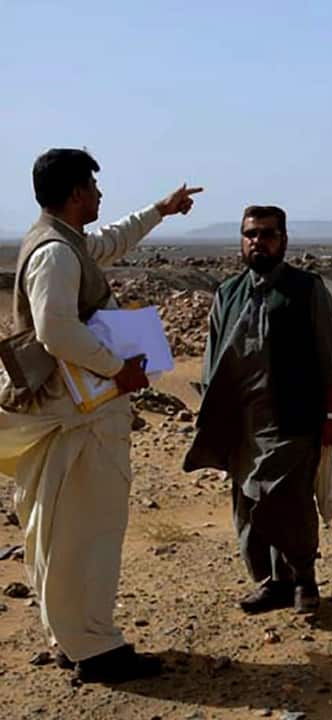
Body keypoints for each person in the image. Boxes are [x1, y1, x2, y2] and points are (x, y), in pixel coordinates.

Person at [0, 148, 201, 683]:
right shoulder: (56, 255)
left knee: (61, 528)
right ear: (73, 194)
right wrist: (117, 370)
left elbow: (111, 240)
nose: (99, 194)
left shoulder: (64, 243)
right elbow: (56, 329)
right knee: (84, 531)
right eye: (92, 186)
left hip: (73, 413)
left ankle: (71, 635)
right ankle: (93, 646)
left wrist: (160, 210)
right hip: (77, 414)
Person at [183, 205, 332, 615]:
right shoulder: (228, 293)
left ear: (284, 241)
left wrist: (331, 417)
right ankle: (274, 583)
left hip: (292, 418)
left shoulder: (306, 289)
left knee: (285, 501)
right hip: (242, 421)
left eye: (268, 234)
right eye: (251, 234)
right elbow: (213, 358)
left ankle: (304, 579)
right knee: (247, 505)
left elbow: (329, 358)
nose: (259, 242)